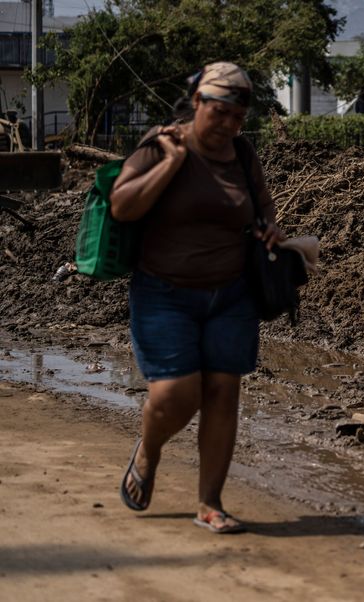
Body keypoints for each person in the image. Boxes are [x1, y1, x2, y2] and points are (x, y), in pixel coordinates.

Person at [110, 61, 284, 534]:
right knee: (175, 396)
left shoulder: (243, 154)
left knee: (224, 392)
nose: (228, 124)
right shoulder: (162, 142)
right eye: (220, 112)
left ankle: (210, 504)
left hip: (231, 295)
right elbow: (122, 206)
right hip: (164, 293)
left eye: (237, 117)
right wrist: (169, 164)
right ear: (198, 103)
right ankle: (149, 449)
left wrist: (270, 230)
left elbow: (262, 207)